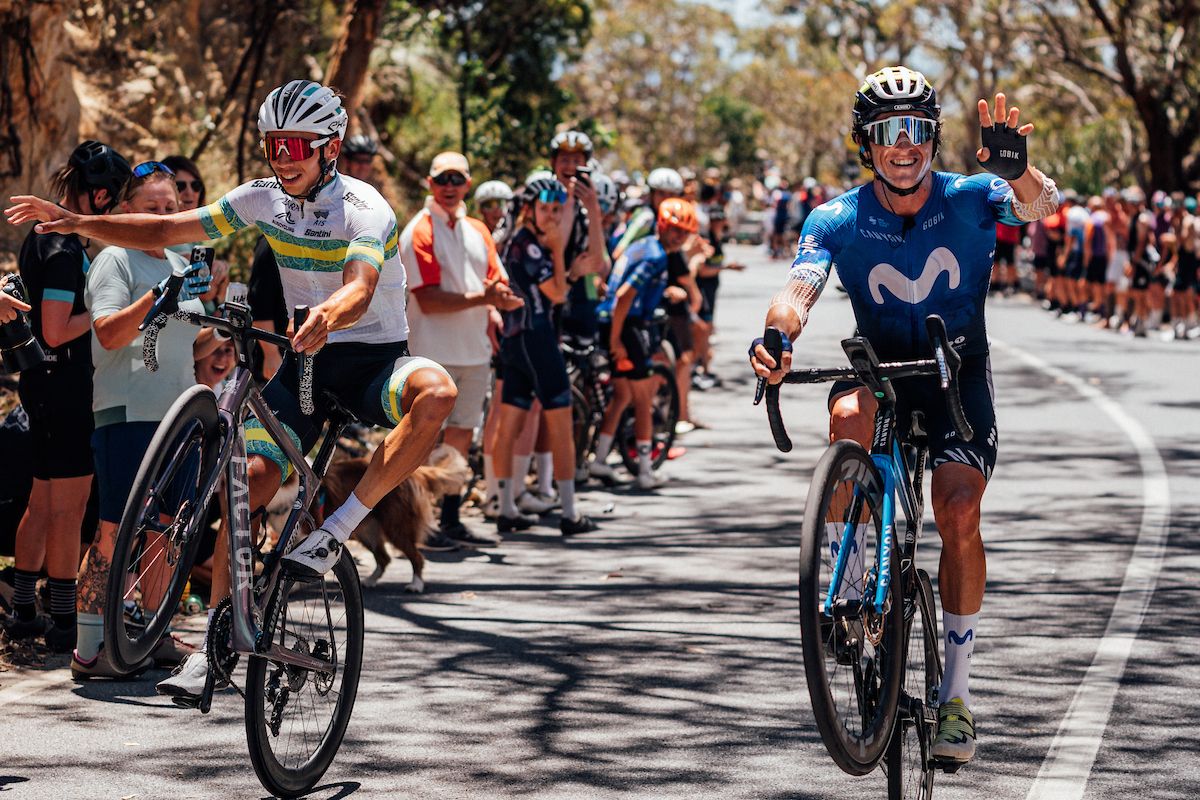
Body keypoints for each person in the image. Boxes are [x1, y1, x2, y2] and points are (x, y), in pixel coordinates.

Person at [6, 79, 458, 700]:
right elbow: (168, 230)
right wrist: (77, 221)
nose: (284, 157)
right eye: (274, 145)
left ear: (330, 147)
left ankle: (337, 531)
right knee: (245, 481)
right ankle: (217, 640)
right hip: (304, 366)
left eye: (298, 144)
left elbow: (359, 282)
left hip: (370, 358)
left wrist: (332, 313)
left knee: (437, 394)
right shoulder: (262, 199)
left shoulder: (364, 205)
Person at [750, 66, 1060, 766]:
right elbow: (796, 292)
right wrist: (777, 339)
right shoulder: (837, 217)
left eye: (917, 130)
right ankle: (855, 588)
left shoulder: (975, 197)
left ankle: (955, 697)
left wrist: (1022, 171)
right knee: (848, 419)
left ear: (932, 138)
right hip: (882, 373)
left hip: (957, 379)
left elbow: (1043, 206)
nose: (904, 145)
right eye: (889, 132)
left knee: (957, 510)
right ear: (867, 143)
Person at [74, 162, 218, 679]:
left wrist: (222, 326)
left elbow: (191, 338)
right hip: (126, 412)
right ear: (126, 212)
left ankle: (151, 634)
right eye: (153, 208)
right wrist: (156, 298)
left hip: (178, 417)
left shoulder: (181, 262)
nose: (164, 216)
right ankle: (89, 647)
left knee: (168, 533)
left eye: (172, 209)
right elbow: (110, 334)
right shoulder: (115, 257)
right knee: (114, 529)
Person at [3, 141, 131, 653]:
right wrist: (102, 321)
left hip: (41, 386)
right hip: (65, 388)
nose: (119, 208)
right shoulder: (62, 250)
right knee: (68, 508)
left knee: (40, 501)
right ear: (99, 194)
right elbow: (55, 331)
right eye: (117, 199)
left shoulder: (46, 238)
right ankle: (61, 619)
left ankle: (22, 609)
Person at [400, 151, 522, 548]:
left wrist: (498, 304)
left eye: (457, 179)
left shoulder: (476, 229)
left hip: (474, 352)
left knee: (460, 436)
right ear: (430, 184)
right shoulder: (419, 230)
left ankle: (448, 519)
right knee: (423, 438)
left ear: (468, 183)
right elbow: (431, 300)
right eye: (442, 179)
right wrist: (484, 299)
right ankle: (418, 520)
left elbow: (495, 283)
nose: (450, 186)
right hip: (432, 351)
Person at [492, 177, 599, 535]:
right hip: (536, 339)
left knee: (511, 423)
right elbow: (555, 294)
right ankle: (570, 513)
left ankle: (506, 507)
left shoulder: (517, 242)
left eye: (557, 210)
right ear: (530, 210)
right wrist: (558, 252)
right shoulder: (532, 247)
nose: (552, 217)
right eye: (545, 209)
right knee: (560, 424)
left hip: (514, 340)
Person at [591, 199, 699, 489]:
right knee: (642, 400)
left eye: (683, 231)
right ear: (662, 226)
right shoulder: (656, 256)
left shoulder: (644, 246)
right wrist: (617, 341)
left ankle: (600, 460)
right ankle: (644, 471)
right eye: (673, 229)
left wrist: (665, 291)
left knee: (622, 396)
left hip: (614, 321)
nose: (678, 236)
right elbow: (625, 296)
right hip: (626, 326)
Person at [161, 155, 230, 314]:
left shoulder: (191, 235)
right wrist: (219, 281)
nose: (190, 192)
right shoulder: (171, 235)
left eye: (196, 185)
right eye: (180, 186)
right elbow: (206, 291)